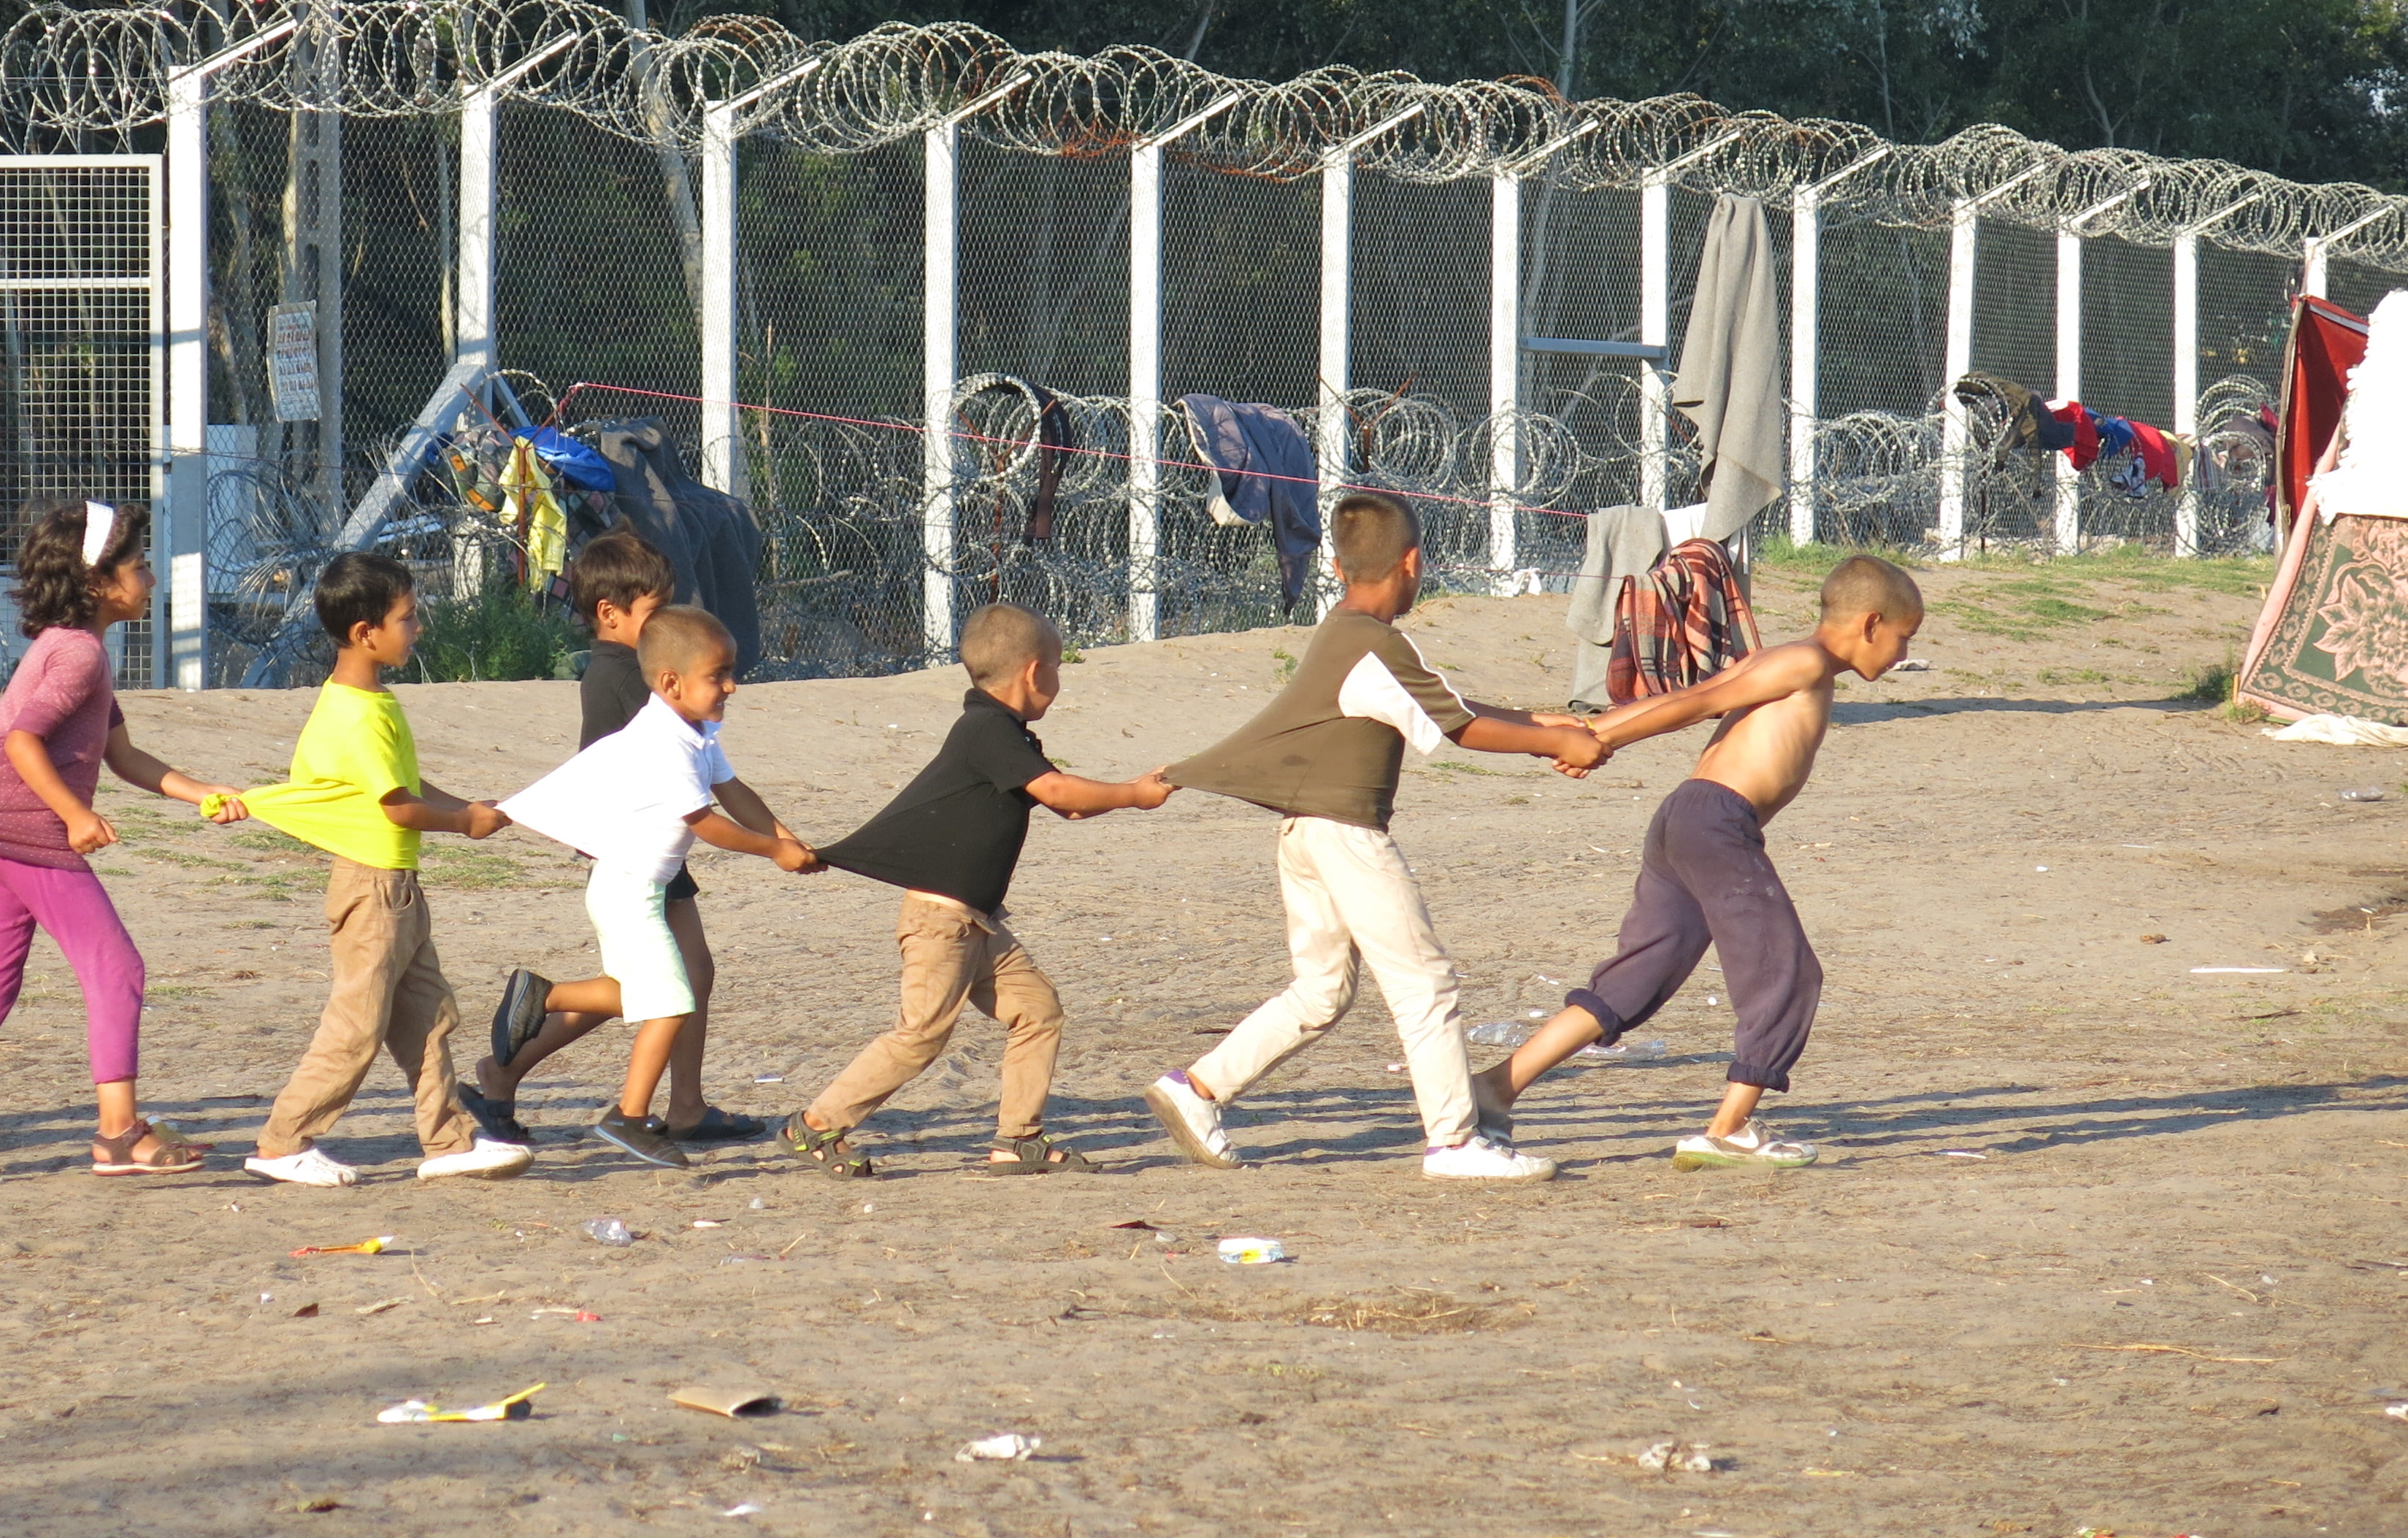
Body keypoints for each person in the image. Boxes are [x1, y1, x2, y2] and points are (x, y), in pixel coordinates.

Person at [1142, 491, 1607, 1184]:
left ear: (1336, 565)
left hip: (1307, 833)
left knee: (1321, 992)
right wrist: (1548, 744)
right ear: (1413, 563)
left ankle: (1198, 1089)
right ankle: (1454, 1143)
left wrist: (1549, 728)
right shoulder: (1376, 643)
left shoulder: (1346, 632)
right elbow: (1461, 729)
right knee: (1425, 983)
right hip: (1345, 837)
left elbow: (1449, 706)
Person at [1471, 552, 1924, 1170]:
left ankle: (1495, 1087)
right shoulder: (1806, 661)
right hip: (1716, 824)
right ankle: (1728, 1131)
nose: (1902, 655)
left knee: (1635, 980)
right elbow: (1698, 704)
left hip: (1686, 821)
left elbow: (1697, 693)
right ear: (1872, 623)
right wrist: (1598, 740)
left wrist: (1593, 730)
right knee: (1787, 972)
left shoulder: (1793, 660)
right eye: (1904, 638)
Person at [0, 499, 243, 1180]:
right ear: (98, 582)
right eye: (140, 566)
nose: (151, 578)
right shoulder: (77, 656)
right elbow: (20, 740)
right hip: (27, 838)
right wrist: (72, 815)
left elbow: (124, 757)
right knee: (117, 967)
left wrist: (207, 795)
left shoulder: (75, 650)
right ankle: (119, 1135)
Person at [784, 602, 1172, 1177]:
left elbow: (1064, 807)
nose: (1059, 682)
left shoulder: (1005, 734)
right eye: (1059, 669)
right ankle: (814, 1125)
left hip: (979, 924)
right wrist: (1132, 794)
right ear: (1035, 673)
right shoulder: (984, 730)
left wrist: (1139, 789)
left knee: (1038, 1010)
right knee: (920, 1036)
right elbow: (1062, 794)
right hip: (940, 924)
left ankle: (1018, 1138)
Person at [220, 552, 532, 1187]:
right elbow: (398, 809)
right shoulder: (356, 715)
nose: (416, 629)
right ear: (366, 632)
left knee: (429, 1018)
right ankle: (284, 1143)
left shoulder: (371, 702)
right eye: (407, 618)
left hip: (397, 891)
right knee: (358, 1025)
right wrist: (462, 823)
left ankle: (449, 1143)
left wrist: (472, 808)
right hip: (373, 890)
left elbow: (408, 785)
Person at [467, 530, 773, 1147]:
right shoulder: (629, 680)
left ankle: (676, 1101)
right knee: (665, 983)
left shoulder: (624, 673)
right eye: (654, 612)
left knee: (672, 979)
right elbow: (608, 767)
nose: (669, 624)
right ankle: (514, 1070)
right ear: (611, 615)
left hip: (648, 843)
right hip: (640, 846)